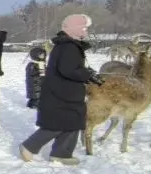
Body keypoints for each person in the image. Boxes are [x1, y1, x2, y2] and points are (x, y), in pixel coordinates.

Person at [19, 14, 103, 165]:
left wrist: (87, 73)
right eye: (84, 28)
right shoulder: (68, 47)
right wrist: (86, 74)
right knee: (57, 124)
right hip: (62, 93)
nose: (86, 31)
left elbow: (71, 68)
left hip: (67, 92)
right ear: (75, 29)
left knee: (72, 123)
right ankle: (29, 146)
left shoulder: (70, 45)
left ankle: (61, 154)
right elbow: (68, 70)